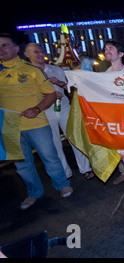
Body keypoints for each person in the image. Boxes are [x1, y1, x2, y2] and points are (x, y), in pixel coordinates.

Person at [0, 33, 72, 210]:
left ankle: (62, 185)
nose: (0, 50)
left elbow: (50, 94)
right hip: (9, 127)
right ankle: (34, 193)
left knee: (50, 157)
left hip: (37, 124)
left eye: (4, 45)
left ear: (16, 49)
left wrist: (37, 109)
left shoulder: (33, 71)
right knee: (22, 165)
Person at [24, 43, 94, 180]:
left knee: (74, 137)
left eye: (41, 51)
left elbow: (69, 87)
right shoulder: (27, 73)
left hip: (63, 107)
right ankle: (65, 172)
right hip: (45, 111)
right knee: (55, 143)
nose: (40, 54)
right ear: (27, 55)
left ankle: (86, 168)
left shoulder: (55, 69)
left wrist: (59, 84)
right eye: (35, 52)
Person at [103, 40, 124, 184]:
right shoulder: (103, 76)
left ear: (120, 54)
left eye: (110, 48)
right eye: (105, 48)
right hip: (112, 117)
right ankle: (123, 172)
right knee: (116, 147)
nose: (106, 50)